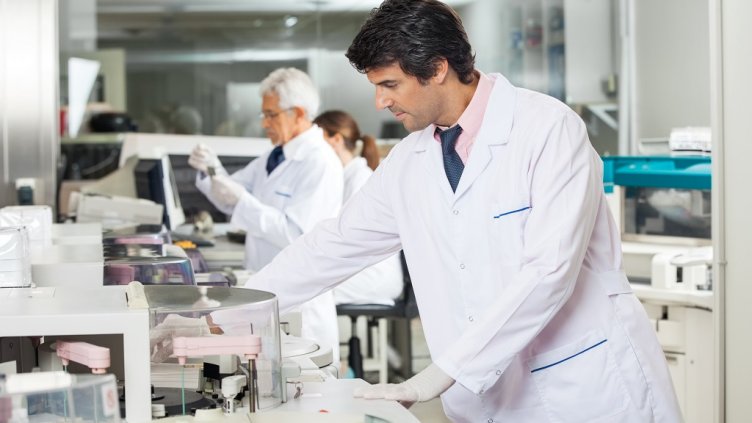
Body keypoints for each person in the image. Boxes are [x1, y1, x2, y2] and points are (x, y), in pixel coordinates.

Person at [246, 1, 682, 422]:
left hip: (582, 388)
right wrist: (234, 308)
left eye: (390, 85)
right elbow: (333, 245)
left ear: (437, 69)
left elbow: (549, 271)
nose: (380, 102)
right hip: (483, 399)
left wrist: (439, 375)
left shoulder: (548, 129)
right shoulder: (410, 161)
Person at [188, 68, 343, 363]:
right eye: (263, 115)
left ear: (297, 113)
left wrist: (242, 200)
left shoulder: (319, 161)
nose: (265, 124)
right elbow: (230, 197)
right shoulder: (273, 156)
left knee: (300, 385)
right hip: (264, 290)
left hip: (300, 304)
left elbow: (296, 234)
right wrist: (211, 170)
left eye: (271, 115)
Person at [313, 110, 403, 306]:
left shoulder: (360, 178)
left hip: (374, 276)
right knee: (306, 285)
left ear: (335, 139)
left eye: (315, 141)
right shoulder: (343, 178)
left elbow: (350, 238)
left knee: (311, 293)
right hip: (358, 269)